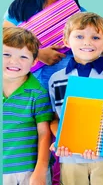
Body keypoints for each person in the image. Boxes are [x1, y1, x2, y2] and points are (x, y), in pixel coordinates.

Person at [48, 12, 103, 185]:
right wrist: (60, 138)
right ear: (66, 41)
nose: (87, 42)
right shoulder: (56, 80)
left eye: (95, 37)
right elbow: (55, 119)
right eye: (79, 36)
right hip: (70, 157)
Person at [3, 0, 83, 89]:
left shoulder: (80, 15)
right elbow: (5, 40)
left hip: (62, 89)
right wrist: (38, 54)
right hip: (22, 88)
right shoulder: (19, 7)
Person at [3, 27, 53, 185]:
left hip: (28, 171)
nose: (13, 61)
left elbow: (44, 134)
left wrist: (40, 171)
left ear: (35, 61)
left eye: (23, 57)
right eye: (6, 54)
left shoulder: (37, 93)